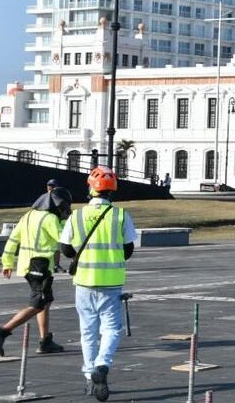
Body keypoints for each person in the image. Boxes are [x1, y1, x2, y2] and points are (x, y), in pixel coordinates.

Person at [59, 168, 137, 401]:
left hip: (83, 281)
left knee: (88, 331)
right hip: (111, 282)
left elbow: (64, 248)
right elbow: (128, 249)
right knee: (111, 329)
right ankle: (102, 366)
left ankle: (88, 376)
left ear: (90, 189)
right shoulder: (121, 215)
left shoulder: (76, 216)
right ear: (112, 191)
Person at [0, 186, 74, 357]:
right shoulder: (50, 218)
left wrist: (6, 262)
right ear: (59, 206)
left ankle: (45, 341)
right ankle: (2, 332)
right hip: (39, 266)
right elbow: (64, 239)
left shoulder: (27, 216)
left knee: (45, 302)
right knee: (37, 304)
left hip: (27, 266)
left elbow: (13, 240)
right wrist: (67, 222)